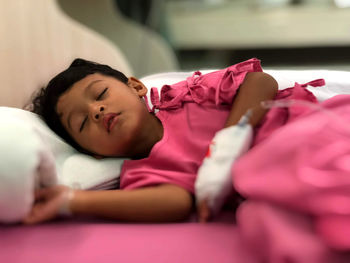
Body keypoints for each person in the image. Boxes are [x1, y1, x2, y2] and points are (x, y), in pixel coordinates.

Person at [24, 58, 279, 224]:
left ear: (135, 87)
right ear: (91, 153)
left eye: (101, 94)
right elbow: (176, 203)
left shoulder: (186, 97)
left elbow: (259, 81)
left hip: (296, 133)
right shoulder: (142, 172)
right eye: (81, 123)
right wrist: (72, 200)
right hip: (274, 186)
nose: (96, 111)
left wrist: (229, 144)